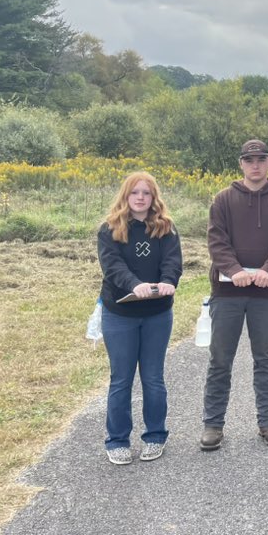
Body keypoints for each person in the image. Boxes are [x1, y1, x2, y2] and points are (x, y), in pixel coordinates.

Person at [201, 139, 268, 451]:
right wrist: (234, 269)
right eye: (249, 159)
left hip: (267, 293)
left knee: (265, 358)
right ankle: (213, 425)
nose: (255, 165)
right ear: (241, 164)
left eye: (261, 159)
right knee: (220, 360)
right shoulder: (223, 199)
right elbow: (217, 241)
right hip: (227, 292)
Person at [96, 172, 183, 465]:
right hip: (120, 314)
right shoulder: (109, 229)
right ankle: (118, 440)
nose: (141, 198)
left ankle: (155, 436)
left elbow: (172, 261)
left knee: (153, 378)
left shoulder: (166, 228)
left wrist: (168, 280)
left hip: (157, 314)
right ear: (126, 196)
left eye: (146, 193)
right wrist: (135, 284)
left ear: (154, 197)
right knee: (121, 378)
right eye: (135, 193)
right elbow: (112, 266)